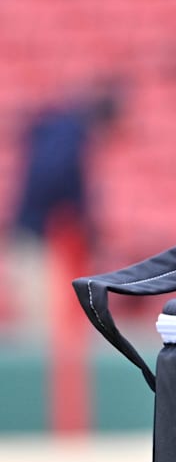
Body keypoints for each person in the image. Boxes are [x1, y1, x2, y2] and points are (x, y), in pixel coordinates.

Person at [9, 79, 123, 333]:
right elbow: (52, 178)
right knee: (40, 324)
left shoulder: (58, 128)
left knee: (45, 319)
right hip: (35, 233)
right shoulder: (70, 137)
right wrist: (82, 219)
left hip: (33, 230)